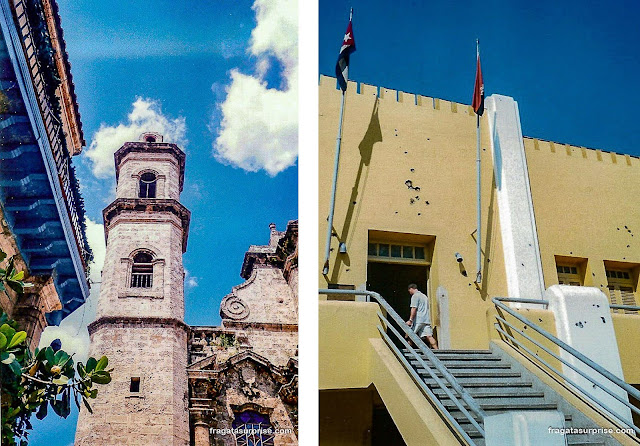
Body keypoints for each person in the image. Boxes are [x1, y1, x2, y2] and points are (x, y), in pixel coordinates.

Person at [406, 283, 438, 349]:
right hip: (426, 319)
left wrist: (410, 320)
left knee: (409, 335)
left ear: (411, 289)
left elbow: (414, 308)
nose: (409, 292)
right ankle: (438, 350)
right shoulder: (424, 296)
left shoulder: (415, 296)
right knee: (429, 336)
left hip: (418, 319)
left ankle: (409, 350)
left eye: (409, 290)